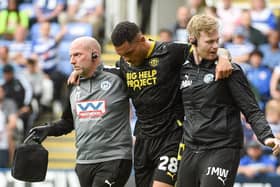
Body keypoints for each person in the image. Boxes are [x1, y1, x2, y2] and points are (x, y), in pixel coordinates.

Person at [68, 21, 232, 187]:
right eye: (122, 55)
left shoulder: (170, 51)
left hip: (172, 135)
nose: (127, 59)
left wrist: (224, 57)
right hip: (143, 139)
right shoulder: (125, 63)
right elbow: (102, 71)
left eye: (129, 53)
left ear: (141, 40)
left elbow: (210, 50)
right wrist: (79, 72)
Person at [176, 14, 280, 187]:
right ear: (192, 40)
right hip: (191, 148)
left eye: (217, 40)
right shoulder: (182, 70)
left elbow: (251, 110)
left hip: (223, 147)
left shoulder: (228, 70)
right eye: (209, 42)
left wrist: (268, 137)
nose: (215, 46)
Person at [29, 36, 133, 187]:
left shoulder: (117, 77)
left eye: (77, 55)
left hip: (114, 158)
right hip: (83, 162)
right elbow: (68, 122)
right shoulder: (73, 84)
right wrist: (48, 129)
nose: (72, 61)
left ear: (94, 55)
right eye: (71, 56)